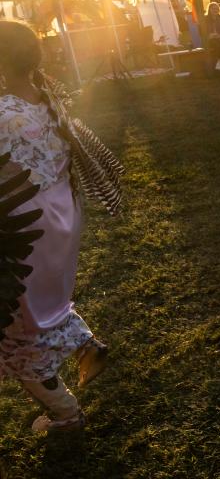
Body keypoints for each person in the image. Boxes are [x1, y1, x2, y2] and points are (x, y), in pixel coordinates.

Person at [0, 21, 123, 433]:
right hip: (61, 215)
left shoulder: (3, 113)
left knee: (16, 326)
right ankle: (87, 347)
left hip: (23, 228)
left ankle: (66, 415)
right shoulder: (47, 98)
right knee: (45, 303)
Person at [205, 2, 220, 72]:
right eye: (213, 9)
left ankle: (219, 61)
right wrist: (210, 35)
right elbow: (203, 32)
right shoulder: (206, 19)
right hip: (210, 39)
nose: (215, 10)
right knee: (217, 43)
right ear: (209, 9)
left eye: (217, 9)